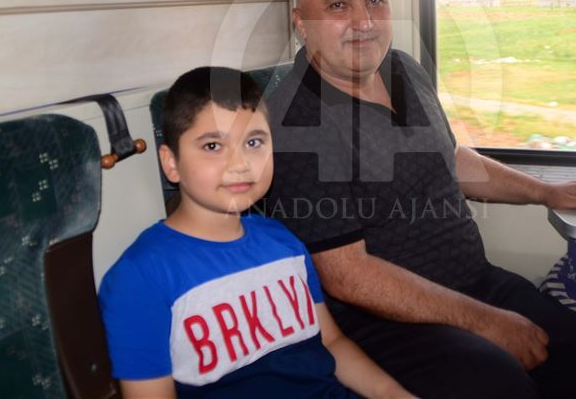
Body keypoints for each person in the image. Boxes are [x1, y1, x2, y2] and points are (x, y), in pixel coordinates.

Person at [265, 0, 576, 398]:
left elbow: (451, 156)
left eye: (375, 0)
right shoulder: (295, 123)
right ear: (302, 23)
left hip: (475, 282)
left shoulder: (404, 68)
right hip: (386, 322)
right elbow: (347, 275)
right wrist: (484, 322)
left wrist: (545, 192)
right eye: (338, 5)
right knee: (505, 387)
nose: (364, 21)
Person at [98, 66, 411, 398]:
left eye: (254, 142)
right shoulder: (140, 276)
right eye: (213, 146)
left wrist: (393, 394)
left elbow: (331, 342)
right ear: (171, 162)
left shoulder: (283, 242)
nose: (240, 164)